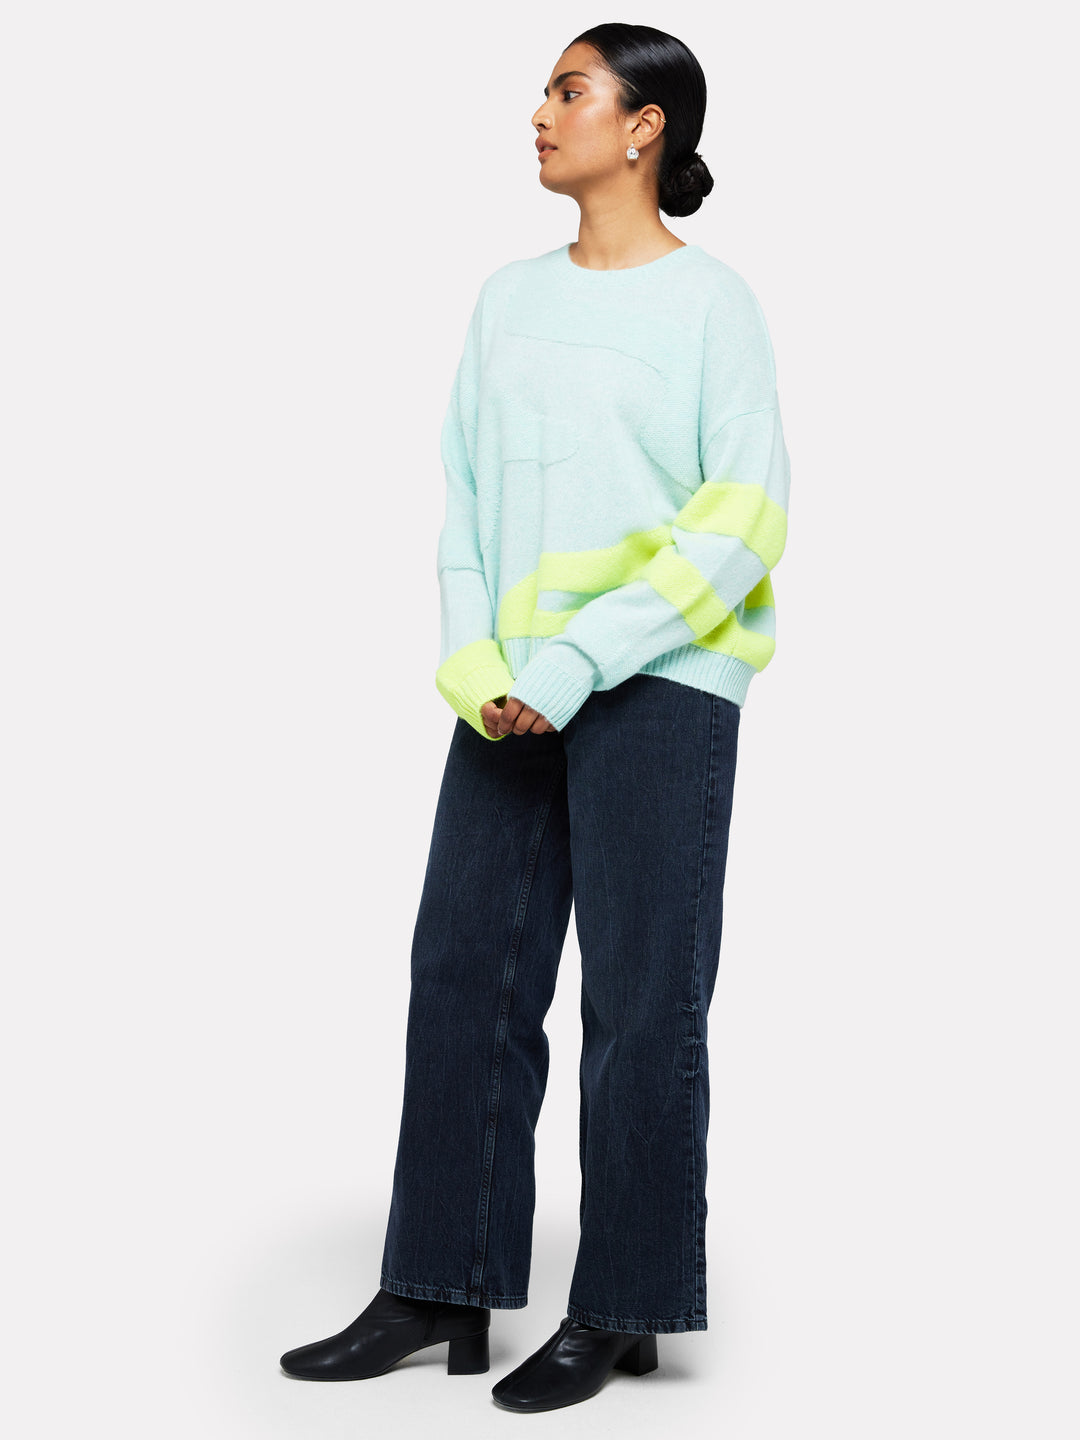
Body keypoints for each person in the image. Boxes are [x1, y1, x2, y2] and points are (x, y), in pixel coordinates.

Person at [279, 21, 791, 1413]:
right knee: (463, 976)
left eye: (570, 90)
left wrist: (574, 660)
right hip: (505, 696)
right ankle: (438, 1284)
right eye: (545, 91)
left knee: (642, 998)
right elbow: (464, 494)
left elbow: (743, 521)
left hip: (660, 685)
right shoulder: (506, 299)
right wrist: (472, 658)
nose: (539, 113)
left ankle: (624, 1305)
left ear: (645, 126)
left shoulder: (714, 306)